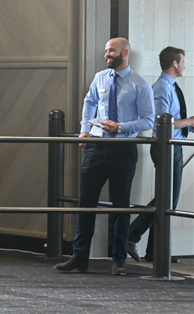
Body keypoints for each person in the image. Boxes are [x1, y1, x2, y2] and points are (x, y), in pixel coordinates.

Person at [55, 37, 154, 276]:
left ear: (125, 53)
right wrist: (84, 130)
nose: (106, 54)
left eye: (111, 50)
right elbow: (89, 102)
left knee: (121, 205)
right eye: (106, 50)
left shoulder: (140, 84)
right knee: (85, 202)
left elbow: (148, 120)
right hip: (96, 147)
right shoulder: (100, 78)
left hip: (123, 150)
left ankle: (119, 260)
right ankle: (80, 257)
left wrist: (120, 127)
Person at [127, 47, 193, 263]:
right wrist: (190, 122)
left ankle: (155, 250)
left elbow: (174, 120)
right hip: (166, 147)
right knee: (167, 199)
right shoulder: (162, 89)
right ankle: (131, 235)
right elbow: (161, 122)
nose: (185, 65)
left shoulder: (171, 87)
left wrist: (189, 126)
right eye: (183, 61)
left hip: (174, 145)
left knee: (167, 199)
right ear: (174, 63)